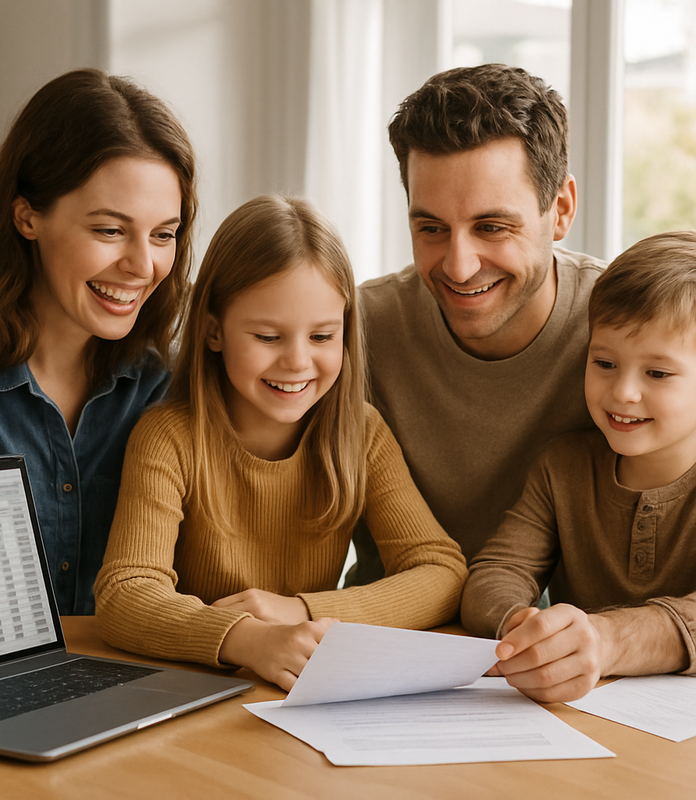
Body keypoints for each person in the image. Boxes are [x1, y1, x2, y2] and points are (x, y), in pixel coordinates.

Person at [94, 194, 467, 691]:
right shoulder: (169, 438)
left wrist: (303, 611)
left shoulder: (361, 433)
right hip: (192, 691)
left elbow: (442, 572)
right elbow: (126, 594)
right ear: (213, 331)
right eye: (268, 337)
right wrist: (245, 638)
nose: (297, 362)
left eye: (321, 337)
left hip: (303, 692)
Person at [0, 69, 197, 615]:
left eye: (163, 234)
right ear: (27, 216)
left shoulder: (162, 389)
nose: (142, 265)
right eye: (109, 230)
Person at [346, 64, 606, 585]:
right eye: (432, 228)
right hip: (384, 641)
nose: (459, 266)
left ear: (560, 210)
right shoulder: (352, 331)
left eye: (491, 227)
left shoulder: (636, 335)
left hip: (575, 657)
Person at [461, 230, 696, 702]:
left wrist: (607, 638)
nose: (623, 392)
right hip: (580, 717)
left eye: (657, 373)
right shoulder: (563, 466)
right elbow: (497, 569)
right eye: (604, 362)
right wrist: (518, 623)